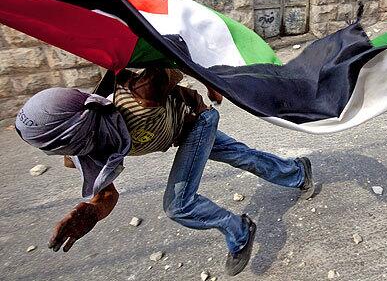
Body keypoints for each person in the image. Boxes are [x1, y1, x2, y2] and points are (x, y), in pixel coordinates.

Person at [14, 68, 314, 276]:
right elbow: (106, 193)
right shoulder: (84, 150)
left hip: (197, 122)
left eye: (52, 146)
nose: (57, 154)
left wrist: (212, 84)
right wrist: (93, 211)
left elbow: (175, 55)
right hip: (178, 134)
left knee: (178, 204)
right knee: (242, 156)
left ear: (71, 131)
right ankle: (298, 172)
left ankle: (239, 231)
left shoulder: (139, 98)